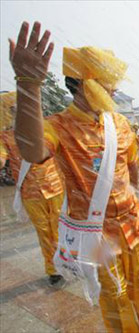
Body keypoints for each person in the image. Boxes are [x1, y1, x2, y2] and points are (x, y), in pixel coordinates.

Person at [9, 21, 139, 332]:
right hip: (97, 234)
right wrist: (28, 84)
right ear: (85, 84)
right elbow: (31, 151)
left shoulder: (121, 123)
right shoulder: (59, 125)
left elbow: (132, 167)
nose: (114, 89)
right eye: (107, 82)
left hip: (134, 226)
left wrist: (131, 198)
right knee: (116, 298)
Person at [0, 92, 65, 286]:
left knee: (61, 227)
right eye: (13, 109)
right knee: (44, 232)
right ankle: (53, 269)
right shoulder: (5, 137)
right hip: (30, 193)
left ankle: (69, 261)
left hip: (55, 186)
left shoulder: (45, 126)